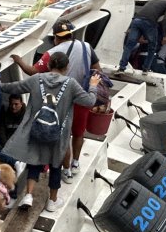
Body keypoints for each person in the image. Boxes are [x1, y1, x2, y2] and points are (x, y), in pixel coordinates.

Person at [0, 52, 97, 212]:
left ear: (49, 65)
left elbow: (14, 87)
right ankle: (52, 201)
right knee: (55, 165)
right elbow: (89, 101)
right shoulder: (71, 84)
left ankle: (28, 195)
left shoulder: (37, 79)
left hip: (36, 130)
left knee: (34, 160)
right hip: (58, 135)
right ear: (67, 67)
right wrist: (93, 85)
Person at [11, 20, 101, 179]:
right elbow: (97, 70)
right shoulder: (87, 46)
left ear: (55, 37)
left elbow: (32, 71)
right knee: (79, 133)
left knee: (64, 138)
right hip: (82, 97)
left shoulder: (52, 52)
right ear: (71, 34)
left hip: (63, 102)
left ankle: (65, 171)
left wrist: (18, 60)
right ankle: (75, 163)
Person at [115, 0, 166, 75]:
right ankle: (145, 69)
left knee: (129, 46)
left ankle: (121, 68)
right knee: (152, 47)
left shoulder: (153, 0)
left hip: (136, 21)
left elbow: (140, 13)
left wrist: (130, 27)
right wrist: (165, 35)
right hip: (149, 23)